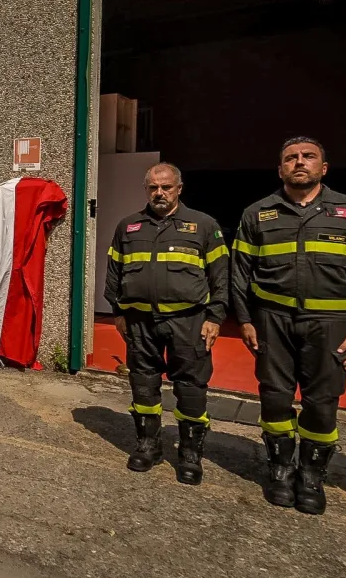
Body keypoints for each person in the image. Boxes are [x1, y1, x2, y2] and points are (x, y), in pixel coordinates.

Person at [231, 137, 346, 515]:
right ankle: (281, 468)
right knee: (275, 396)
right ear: (280, 168)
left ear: (323, 168)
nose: (299, 162)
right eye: (291, 158)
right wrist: (246, 319)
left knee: (322, 402)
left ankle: (311, 475)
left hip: (330, 322)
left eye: (308, 157)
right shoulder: (258, 213)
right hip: (272, 320)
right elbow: (240, 272)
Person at [104, 162, 229, 485]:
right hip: (140, 321)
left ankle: (189, 455)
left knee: (190, 389)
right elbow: (114, 272)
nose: (159, 193)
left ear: (179, 189)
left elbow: (221, 278)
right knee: (143, 384)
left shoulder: (203, 225)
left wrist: (215, 317)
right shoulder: (128, 226)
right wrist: (117, 312)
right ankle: (148, 445)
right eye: (153, 188)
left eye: (166, 187)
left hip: (188, 321)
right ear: (146, 190)